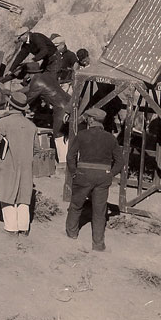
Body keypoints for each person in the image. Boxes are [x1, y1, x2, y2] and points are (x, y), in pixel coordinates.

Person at [65, 107, 123, 251]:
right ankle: (98, 244)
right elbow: (120, 162)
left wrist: (74, 172)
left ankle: (72, 234)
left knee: (76, 205)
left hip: (83, 174)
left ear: (91, 120)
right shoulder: (111, 138)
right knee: (99, 211)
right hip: (103, 176)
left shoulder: (81, 135)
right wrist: (110, 174)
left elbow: (70, 156)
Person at [0, 91, 38, 235]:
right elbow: (36, 149)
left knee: (7, 193)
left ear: (9, 105)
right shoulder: (32, 126)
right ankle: (24, 227)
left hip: (8, 163)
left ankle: (11, 228)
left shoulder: (3, 123)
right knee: (24, 195)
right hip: (26, 166)